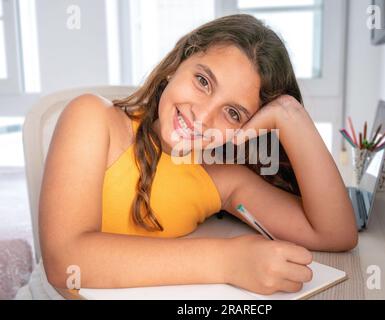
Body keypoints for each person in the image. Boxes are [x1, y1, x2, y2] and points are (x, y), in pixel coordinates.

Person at [39, 14, 358, 296]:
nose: (202, 117)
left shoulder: (220, 177)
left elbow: (336, 233)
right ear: (177, 65)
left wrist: (290, 116)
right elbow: (64, 260)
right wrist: (227, 261)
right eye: (203, 81)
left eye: (232, 113)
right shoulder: (93, 117)